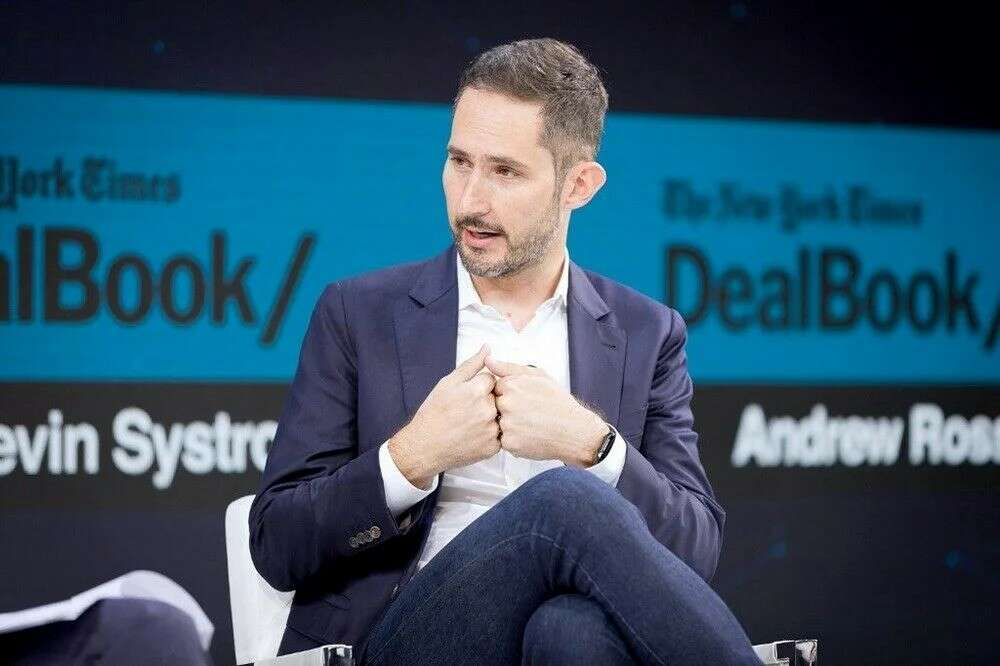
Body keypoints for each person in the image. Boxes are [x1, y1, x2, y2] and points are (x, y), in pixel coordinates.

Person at [250, 37, 759, 664]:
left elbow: (695, 552)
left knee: (571, 631)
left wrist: (592, 446)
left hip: (558, 639)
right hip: (402, 640)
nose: (470, 201)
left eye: (505, 171)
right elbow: (276, 543)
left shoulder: (646, 332)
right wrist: (410, 458)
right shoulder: (358, 313)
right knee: (564, 503)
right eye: (459, 162)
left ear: (579, 185)